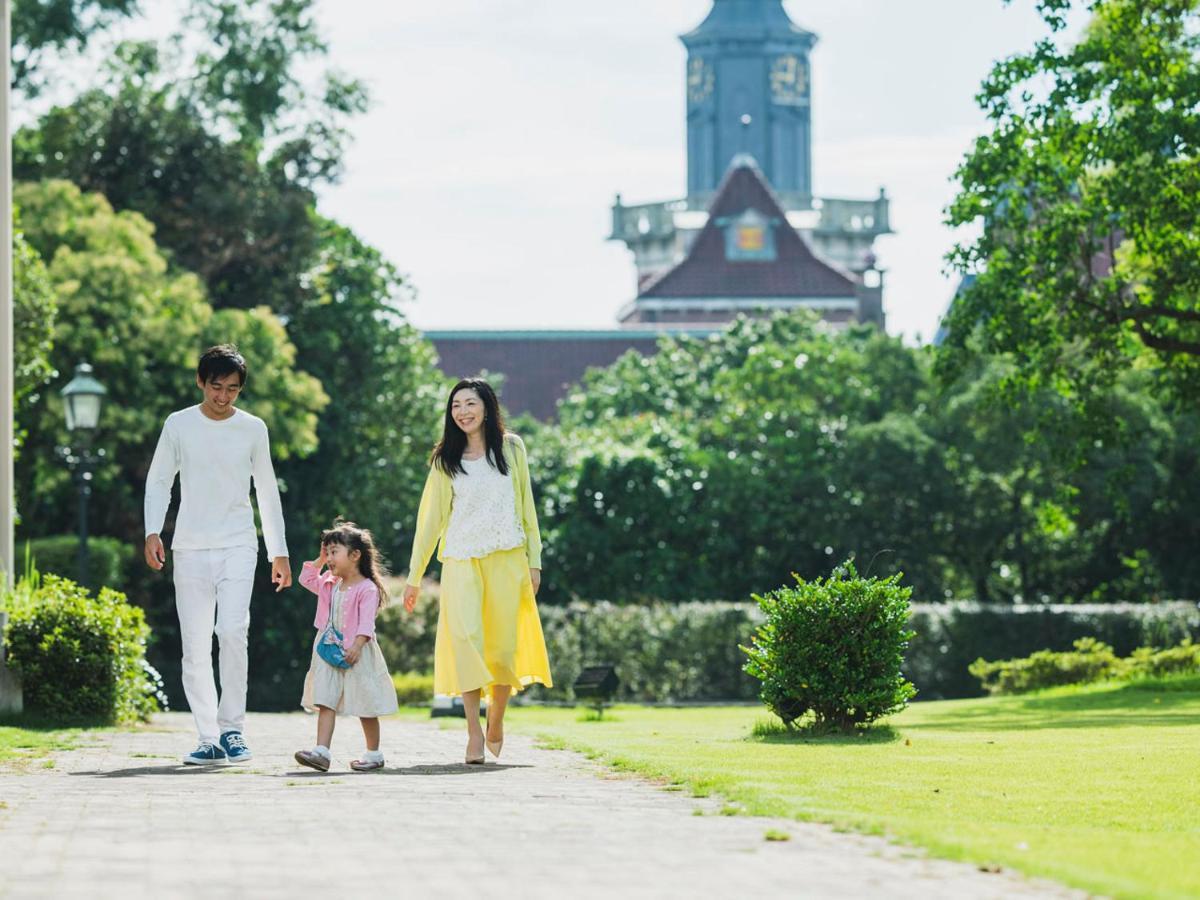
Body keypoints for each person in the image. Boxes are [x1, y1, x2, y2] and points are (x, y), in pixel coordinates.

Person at [143, 344, 292, 766]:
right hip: (189, 546)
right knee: (194, 644)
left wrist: (278, 553)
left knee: (231, 631)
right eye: (216, 387)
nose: (223, 397)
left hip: (239, 544)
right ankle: (207, 737)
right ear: (200, 382)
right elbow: (159, 481)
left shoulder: (253, 429)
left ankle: (233, 731)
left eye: (232, 389)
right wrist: (153, 529)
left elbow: (266, 490)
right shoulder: (178, 425)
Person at [402, 378, 552, 764]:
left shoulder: (512, 448)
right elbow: (429, 521)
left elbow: (527, 509)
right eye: (456, 406)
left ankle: (496, 721)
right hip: (461, 561)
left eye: (470, 403)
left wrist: (534, 560)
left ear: (487, 406)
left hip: (508, 558)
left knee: (502, 647)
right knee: (467, 640)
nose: (463, 412)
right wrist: (414, 577)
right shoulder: (444, 460)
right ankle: (472, 732)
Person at [294, 520, 399, 772]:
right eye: (327, 552)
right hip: (327, 649)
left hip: (357, 652)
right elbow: (306, 578)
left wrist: (358, 645)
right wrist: (319, 561)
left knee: (365, 703)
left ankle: (373, 754)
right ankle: (321, 752)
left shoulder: (367, 588)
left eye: (334, 552)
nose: (329, 558)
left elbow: (366, 623)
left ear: (354, 555)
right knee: (325, 698)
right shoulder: (329, 582)